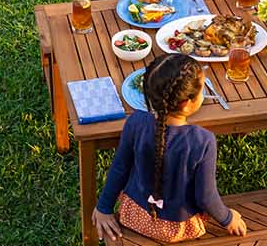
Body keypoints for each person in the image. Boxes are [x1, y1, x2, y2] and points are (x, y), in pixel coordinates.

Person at [92, 54, 248, 243]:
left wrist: (104, 208)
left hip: (134, 216)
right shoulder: (203, 140)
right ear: (187, 103)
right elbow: (206, 197)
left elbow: (120, 168)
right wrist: (228, 218)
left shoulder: (136, 122)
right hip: (179, 228)